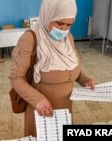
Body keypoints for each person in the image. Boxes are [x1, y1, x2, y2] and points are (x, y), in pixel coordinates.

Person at [9, 0, 95, 137]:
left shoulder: (68, 38)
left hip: (65, 109)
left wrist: (85, 80)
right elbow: (16, 78)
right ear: (47, 16)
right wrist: (38, 100)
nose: (64, 29)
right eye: (59, 23)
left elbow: (72, 67)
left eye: (69, 25)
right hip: (41, 110)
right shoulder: (30, 39)